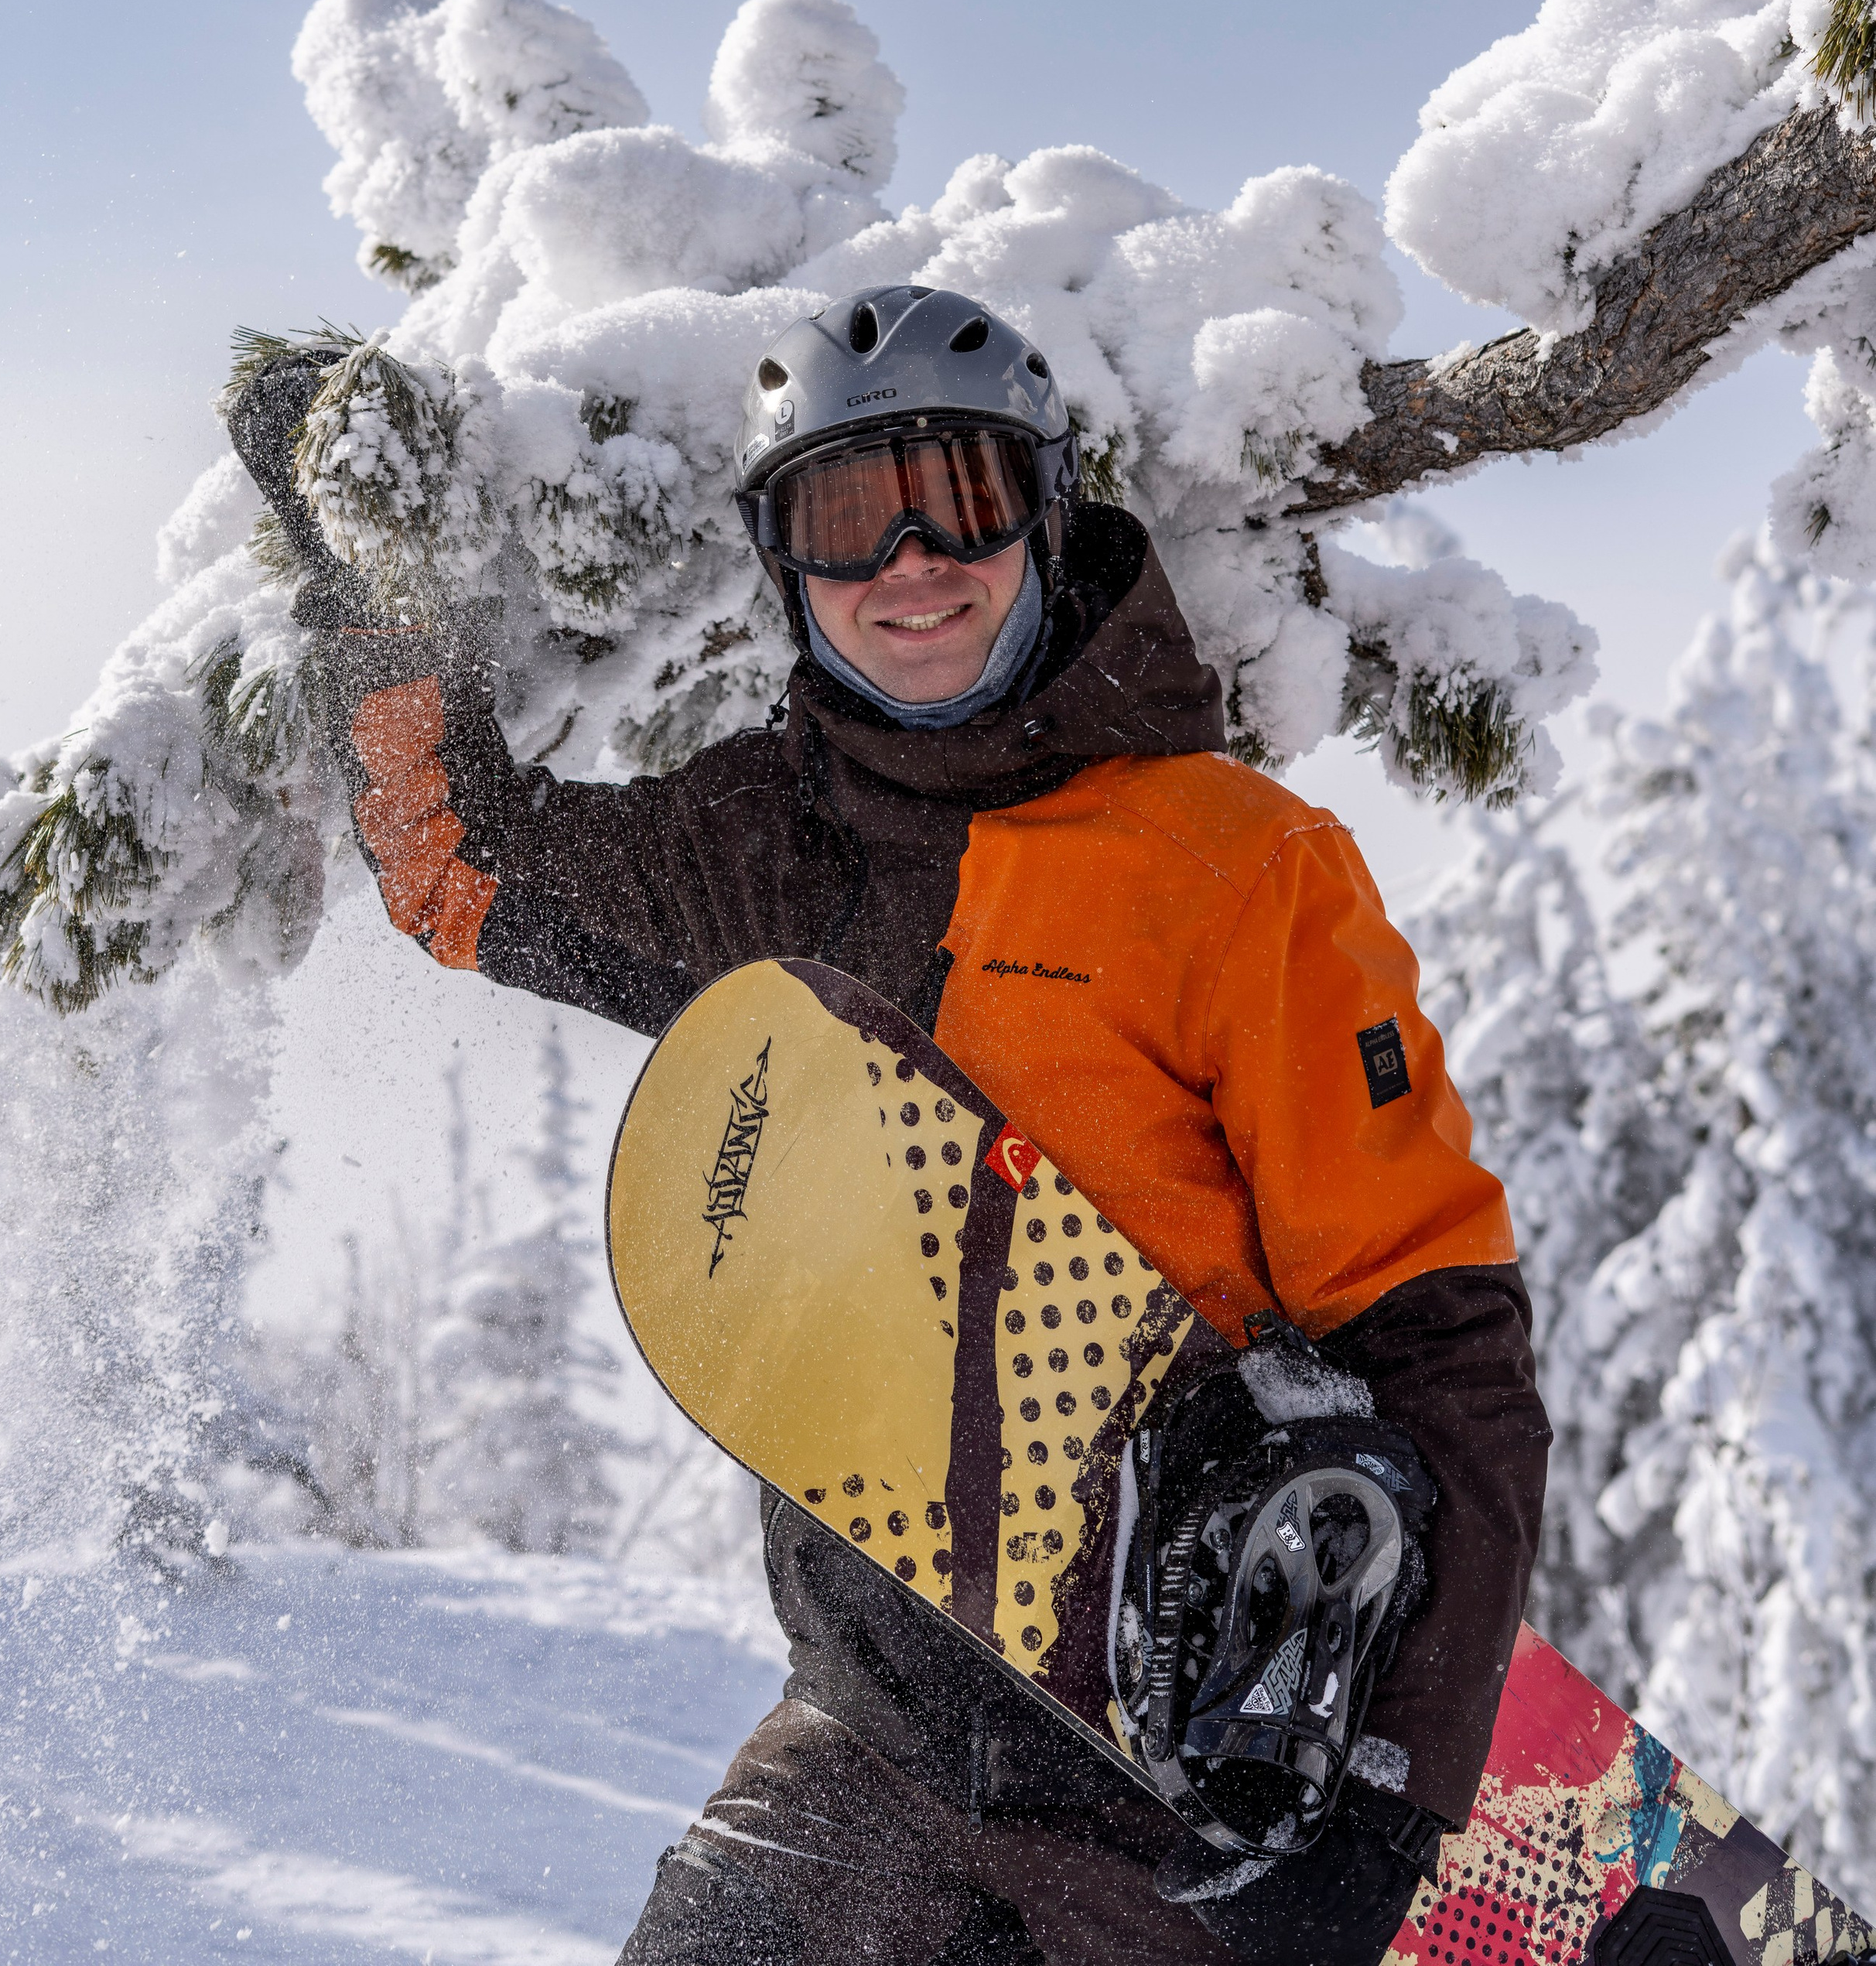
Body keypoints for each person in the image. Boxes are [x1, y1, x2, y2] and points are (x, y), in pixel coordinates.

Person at [230, 284, 1550, 1966]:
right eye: (845, 519)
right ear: (785, 567)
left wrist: (1382, 1802)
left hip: (1188, 1783)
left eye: (964, 498)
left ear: (1045, 513)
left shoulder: (1228, 864)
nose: (910, 562)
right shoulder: (767, 851)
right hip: (869, 1740)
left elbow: (1437, 1339)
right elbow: (456, 869)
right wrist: (375, 575)